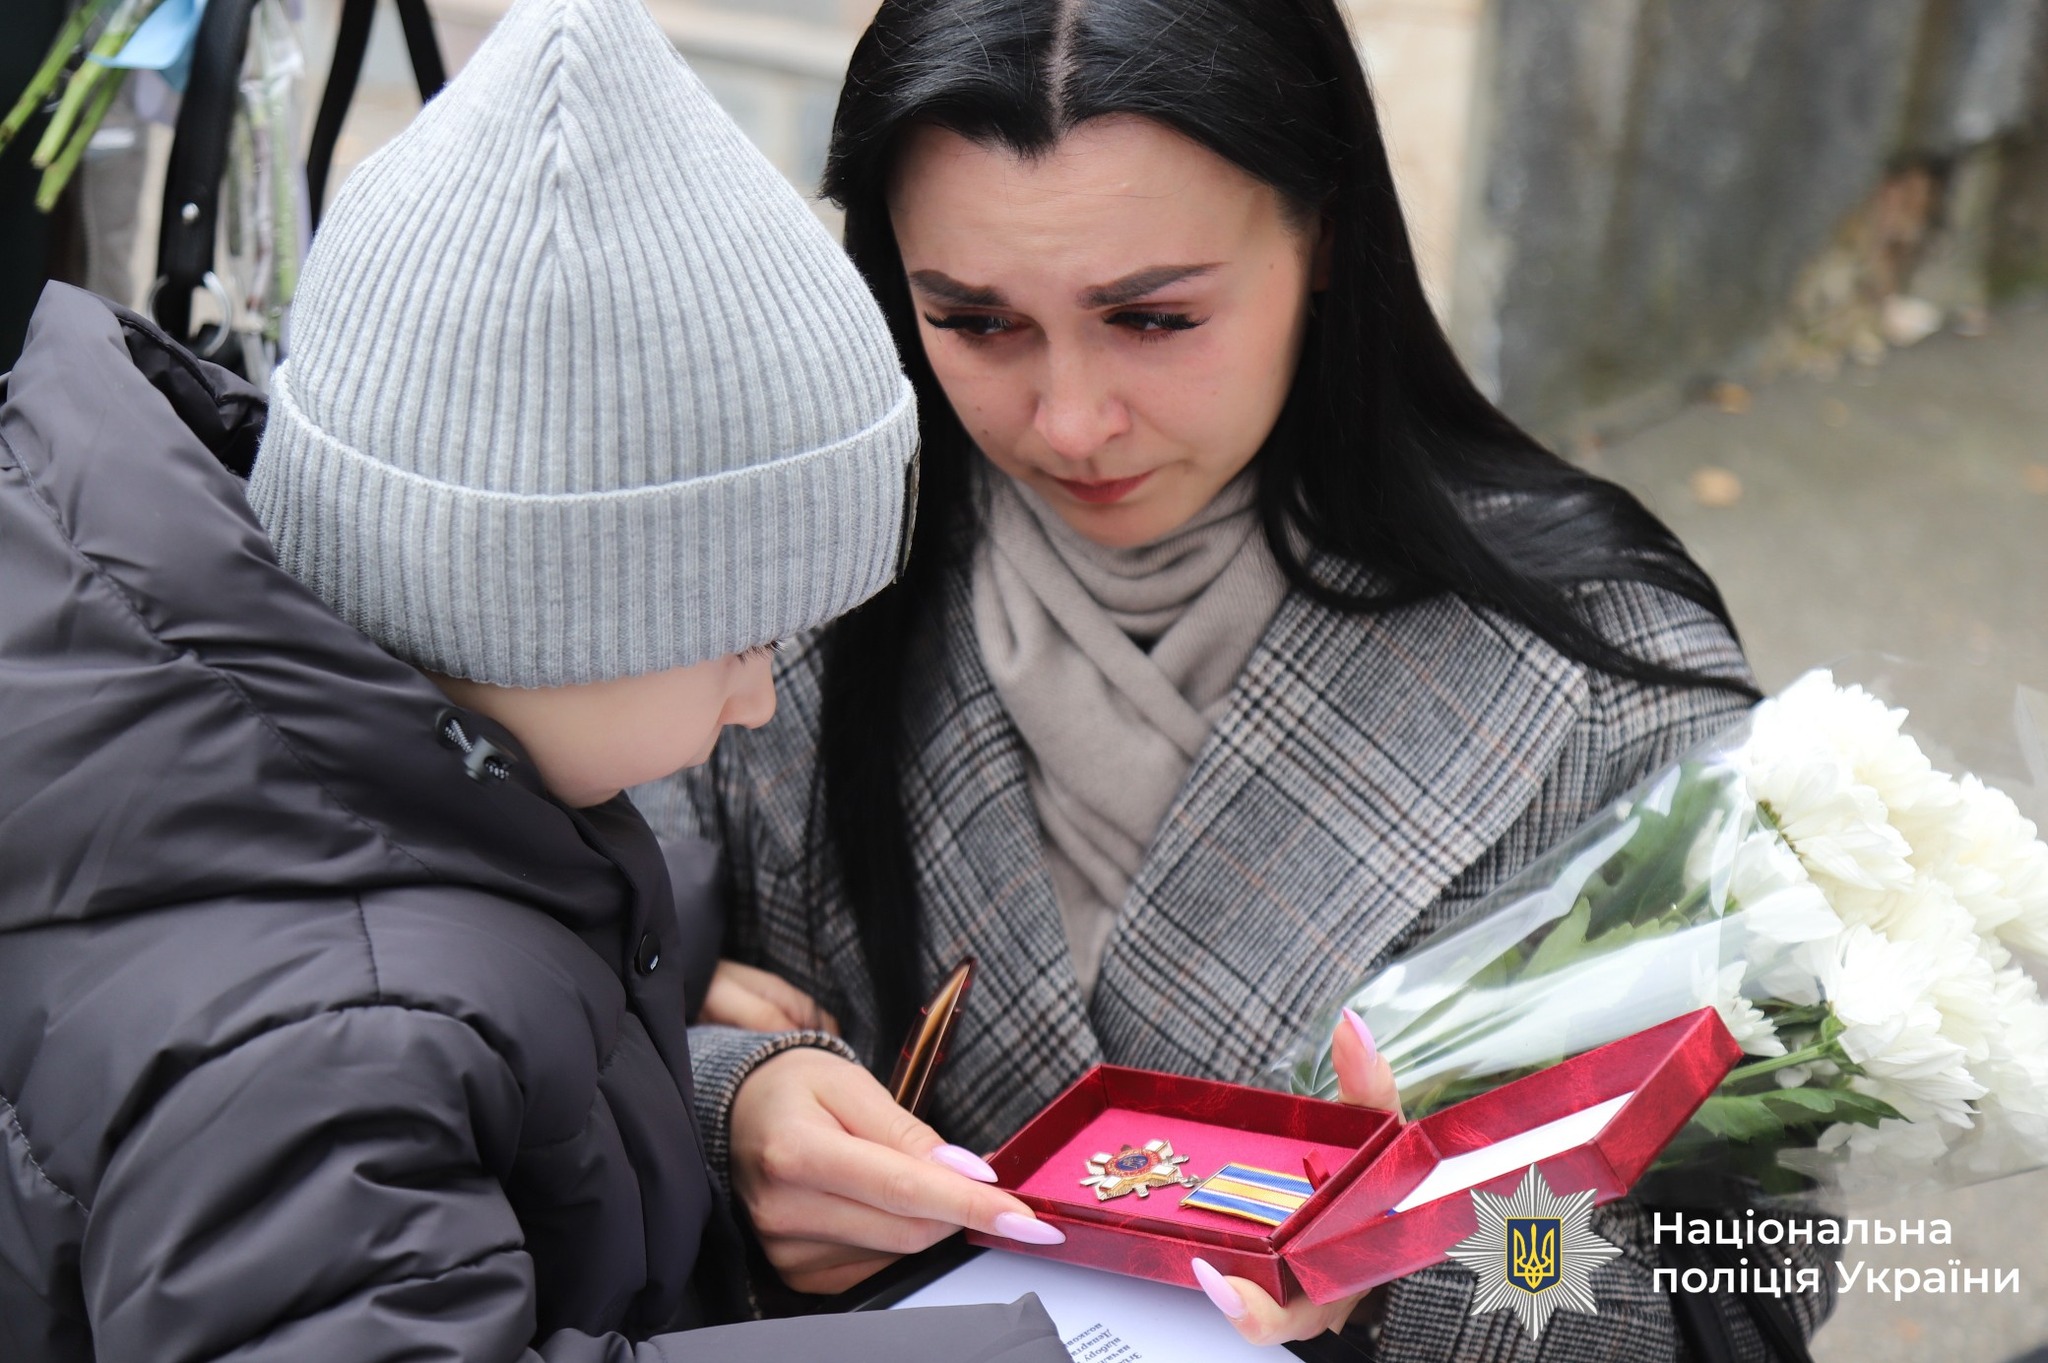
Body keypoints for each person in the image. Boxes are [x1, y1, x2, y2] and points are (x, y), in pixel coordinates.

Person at [645, 0, 1835, 1356]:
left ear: (1323, 234)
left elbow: (1741, 1292)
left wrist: (1407, 1263)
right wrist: (724, 1106)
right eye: (975, 322)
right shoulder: (784, 609)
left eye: (1152, 319)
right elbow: (523, 1003)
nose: (1071, 419)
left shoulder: (1596, 682)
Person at [0, 0, 1078, 1357]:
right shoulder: (337, 1041)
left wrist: (673, 1034)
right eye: (743, 636)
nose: (756, 700)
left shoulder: (363, 808)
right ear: (547, 608)